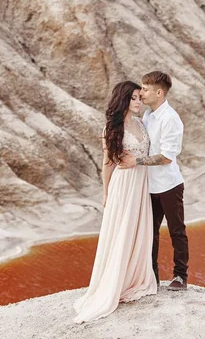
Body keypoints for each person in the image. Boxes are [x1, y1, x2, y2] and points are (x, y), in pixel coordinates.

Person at [73, 81, 157, 323]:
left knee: (138, 230)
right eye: (133, 98)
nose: (139, 102)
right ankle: (114, 284)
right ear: (123, 99)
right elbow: (108, 163)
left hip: (141, 184)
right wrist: (106, 192)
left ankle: (135, 278)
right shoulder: (112, 126)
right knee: (123, 229)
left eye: (140, 97)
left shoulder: (141, 122)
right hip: (124, 184)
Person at [119, 71, 188, 291]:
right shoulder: (148, 115)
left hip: (169, 185)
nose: (142, 93)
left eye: (146, 89)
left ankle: (180, 276)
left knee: (176, 230)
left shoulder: (170, 119)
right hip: (148, 186)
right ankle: (152, 276)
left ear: (159, 92)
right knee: (150, 232)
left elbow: (167, 157)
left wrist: (136, 161)